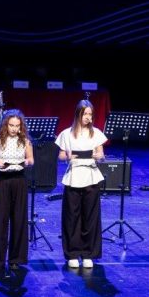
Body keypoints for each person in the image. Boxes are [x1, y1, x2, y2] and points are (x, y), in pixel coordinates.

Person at [55, 99, 107, 269]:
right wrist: (67, 156)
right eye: (85, 114)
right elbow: (61, 155)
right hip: (74, 176)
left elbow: (101, 155)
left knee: (90, 216)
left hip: (91, 176)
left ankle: (88, 253)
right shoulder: (67, 133)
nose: (88, 117)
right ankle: (72, 253)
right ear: (78, 114)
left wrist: (99, 156)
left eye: (90, 114)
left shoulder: (96, 133)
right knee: (72, 216)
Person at [0, 109, 34, 276]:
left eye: (17, 126)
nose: (14, 129)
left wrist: (27, 161)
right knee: (0, 220)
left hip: (19, 181)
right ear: (5, 125)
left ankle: (15, 259)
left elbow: (31, 159)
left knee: (19, 219)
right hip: (3, 181)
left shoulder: (26, 141)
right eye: (11, 125)